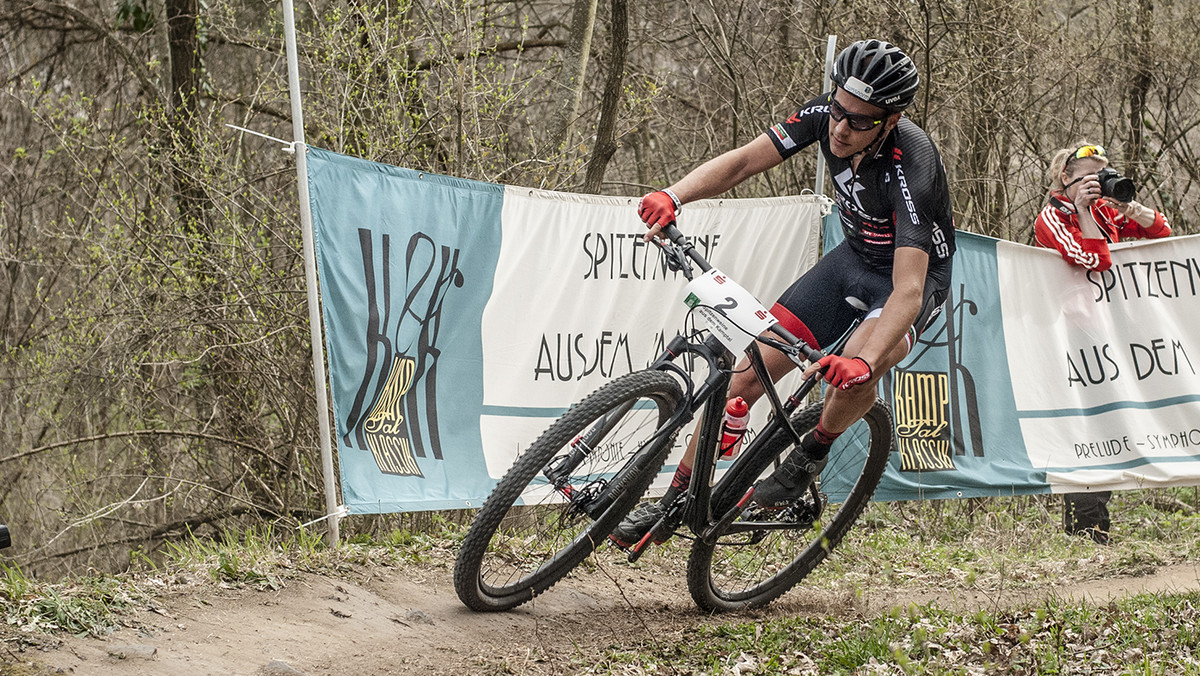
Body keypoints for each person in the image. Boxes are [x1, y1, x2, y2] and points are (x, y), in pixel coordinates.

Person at [611, 39, 956, 547]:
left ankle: (811, 452)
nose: (841, 128)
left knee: (859, 367)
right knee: (743, 378)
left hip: (912, 278)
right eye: (839, 110)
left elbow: (908, 289)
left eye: (860, 121)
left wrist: (863, 364)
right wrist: (673, 194)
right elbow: (742, 163)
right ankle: (672, 504)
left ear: (889, 120)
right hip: (853, 260)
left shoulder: (913, 163)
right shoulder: (826, 115)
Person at [1033, 142, 1172, 545]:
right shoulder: (1053, 217)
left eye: (1101, 177)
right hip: (1068, 337)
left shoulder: (1105, 213)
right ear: (1066, 178)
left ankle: (1097, 527)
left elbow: (1161, 231)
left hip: (1110, 333)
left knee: (1110, 423)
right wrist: (1081, 209)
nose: (1097, 186)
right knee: (1085, 429)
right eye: (1090, 178)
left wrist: (1126, 205)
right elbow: (1095, 259)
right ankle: (1084, 528)